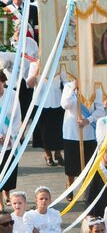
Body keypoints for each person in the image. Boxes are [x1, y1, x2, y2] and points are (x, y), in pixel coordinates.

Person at [61, 80, 105, 201]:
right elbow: (65, 105)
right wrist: (73, 89)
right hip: (71, 132)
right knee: (72, 164)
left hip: (89, 131)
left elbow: (100, 110)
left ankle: (87, 188)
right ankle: (70, 185)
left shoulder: (96, 87)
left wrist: (88, 120)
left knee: (88, 163)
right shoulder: (68, 86)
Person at [26, 61, 65, 167]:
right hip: (41, 104)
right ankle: (48, 155)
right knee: (44, 132)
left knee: (59, 131)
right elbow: (30, 84)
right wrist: (38, 68)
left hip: (58, 102)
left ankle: (58, 154)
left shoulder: (59, 62)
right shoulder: (34, 65)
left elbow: (65, 81)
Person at [0, 70, 21, 211]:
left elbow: (17, 117)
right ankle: (0, 204)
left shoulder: (12, 95)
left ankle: (6, 192)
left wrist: (9, 136)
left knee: (8, 170)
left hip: (9, 140)